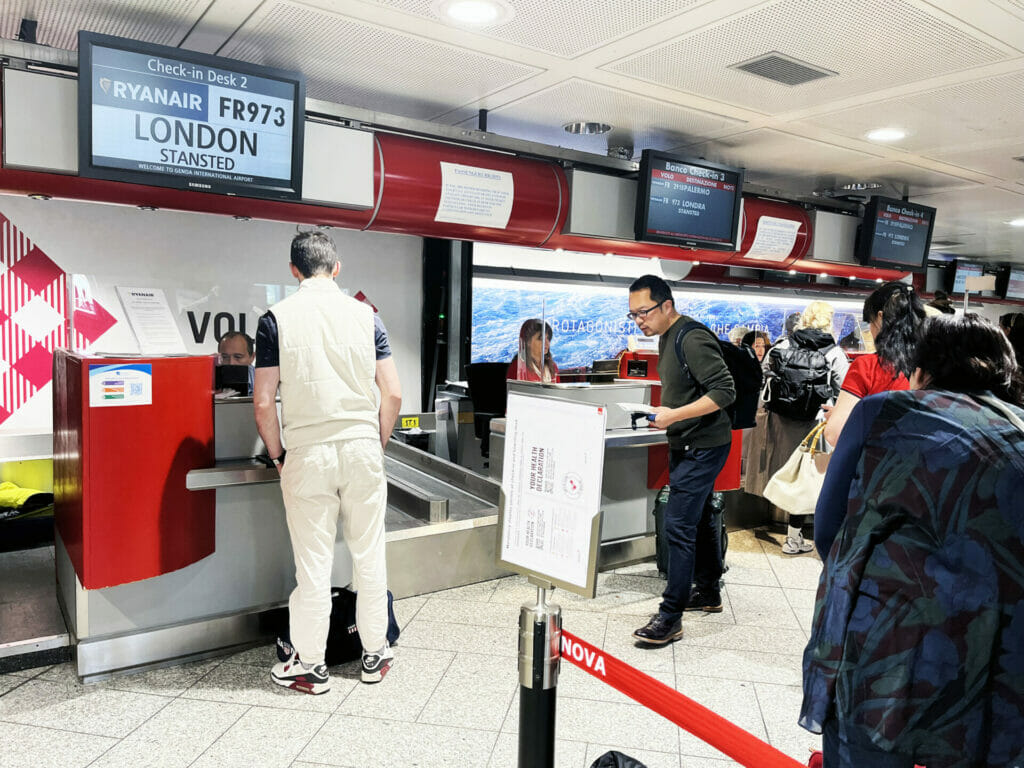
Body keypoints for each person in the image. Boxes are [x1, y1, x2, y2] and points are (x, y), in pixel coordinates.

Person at [802, 313, 1024, 767]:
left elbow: (828, 530)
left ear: (922, 370)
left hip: (887, 641)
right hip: (995, 651)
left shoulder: (884, 413)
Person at [253, 231, 402, 694]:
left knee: (313, 564)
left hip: (307, 452)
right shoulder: (366, 316)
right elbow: (393, 392)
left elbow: (262, 402)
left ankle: (311, 667)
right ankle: (375, 655)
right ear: (336, 268)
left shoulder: (275, 318)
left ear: (294, 270)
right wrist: (374, 442)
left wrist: (277, 455)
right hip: (361, 447)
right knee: (369, 554)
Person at [627, 275, 735, 645]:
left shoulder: (692, 337)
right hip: (688, 442)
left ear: (666, 305)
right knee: (700, 515)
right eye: (633, 315)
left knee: (678, 525)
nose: (639, 320)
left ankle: (670, 617)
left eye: (643, 312)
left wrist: (673, 416)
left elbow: (724, 390)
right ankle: (707, 591)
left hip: (702, 446)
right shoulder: (667, 337)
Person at [760, 301, 849, 555]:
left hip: (783, 421)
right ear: (828, 322)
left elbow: (766, 371)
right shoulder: (834, 352)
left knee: (791, 471)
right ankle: (797, 536)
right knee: (812, 476)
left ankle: (790, 533)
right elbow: (845, 389)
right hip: (818, 424)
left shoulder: (783, 344)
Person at [823, 282, 925, 448]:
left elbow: (835, 433)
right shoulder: (935, 365)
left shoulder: (867, 366)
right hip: (929, 469)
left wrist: (846, 418)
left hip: (881, 466)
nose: (869, 329)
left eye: (869, 322)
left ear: (880, 317)